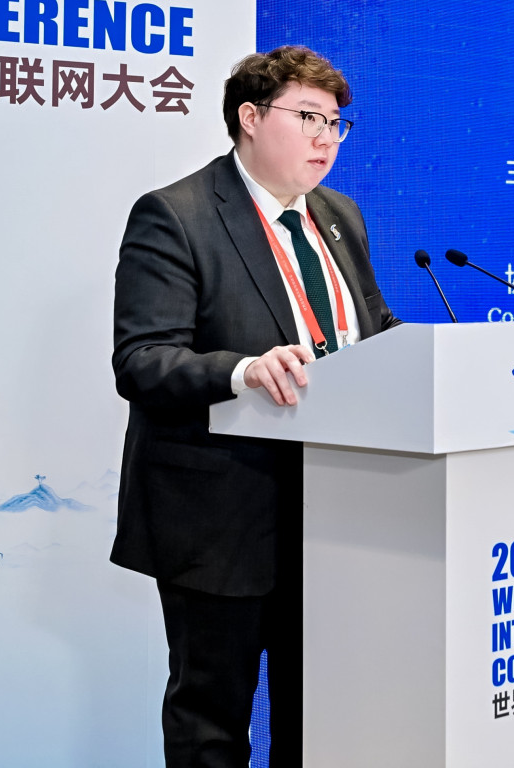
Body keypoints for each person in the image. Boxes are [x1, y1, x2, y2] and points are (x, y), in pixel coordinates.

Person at [109, 46, 399, 767]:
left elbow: (373, 328)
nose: (327, 139)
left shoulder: (340, 215)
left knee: (319, 714)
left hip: (334, 511)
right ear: (249, 117)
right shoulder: (176, 215)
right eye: (308, 118)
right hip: (220, 515)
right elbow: (142, 359)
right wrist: (242, 371)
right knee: (213, 718)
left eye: (336, 123)